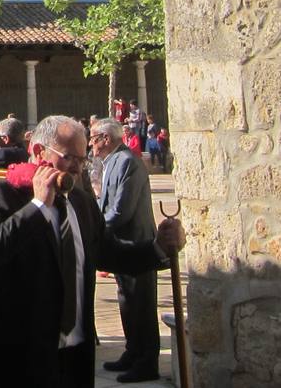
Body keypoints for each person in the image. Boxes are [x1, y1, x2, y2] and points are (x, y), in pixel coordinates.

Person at [0, 115, 184, 388]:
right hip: (17, 362)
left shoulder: (81, 203)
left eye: (83, 161)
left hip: (74, 359)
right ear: (38, 152)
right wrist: (38, 207)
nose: (77, 169)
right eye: (70, 158)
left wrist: (159, 248)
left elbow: (109, 254)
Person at [92, 117, 160, 382]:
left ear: (106, 139)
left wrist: (95, 229)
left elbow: (122, 209)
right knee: (127, 301)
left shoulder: (128, 162)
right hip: (122, 246)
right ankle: (133, 351)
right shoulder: (112, 162)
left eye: (93, 137)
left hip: (137, 245)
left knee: (141, 303)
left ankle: (146, 361)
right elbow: (105, 203)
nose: (91, 143)